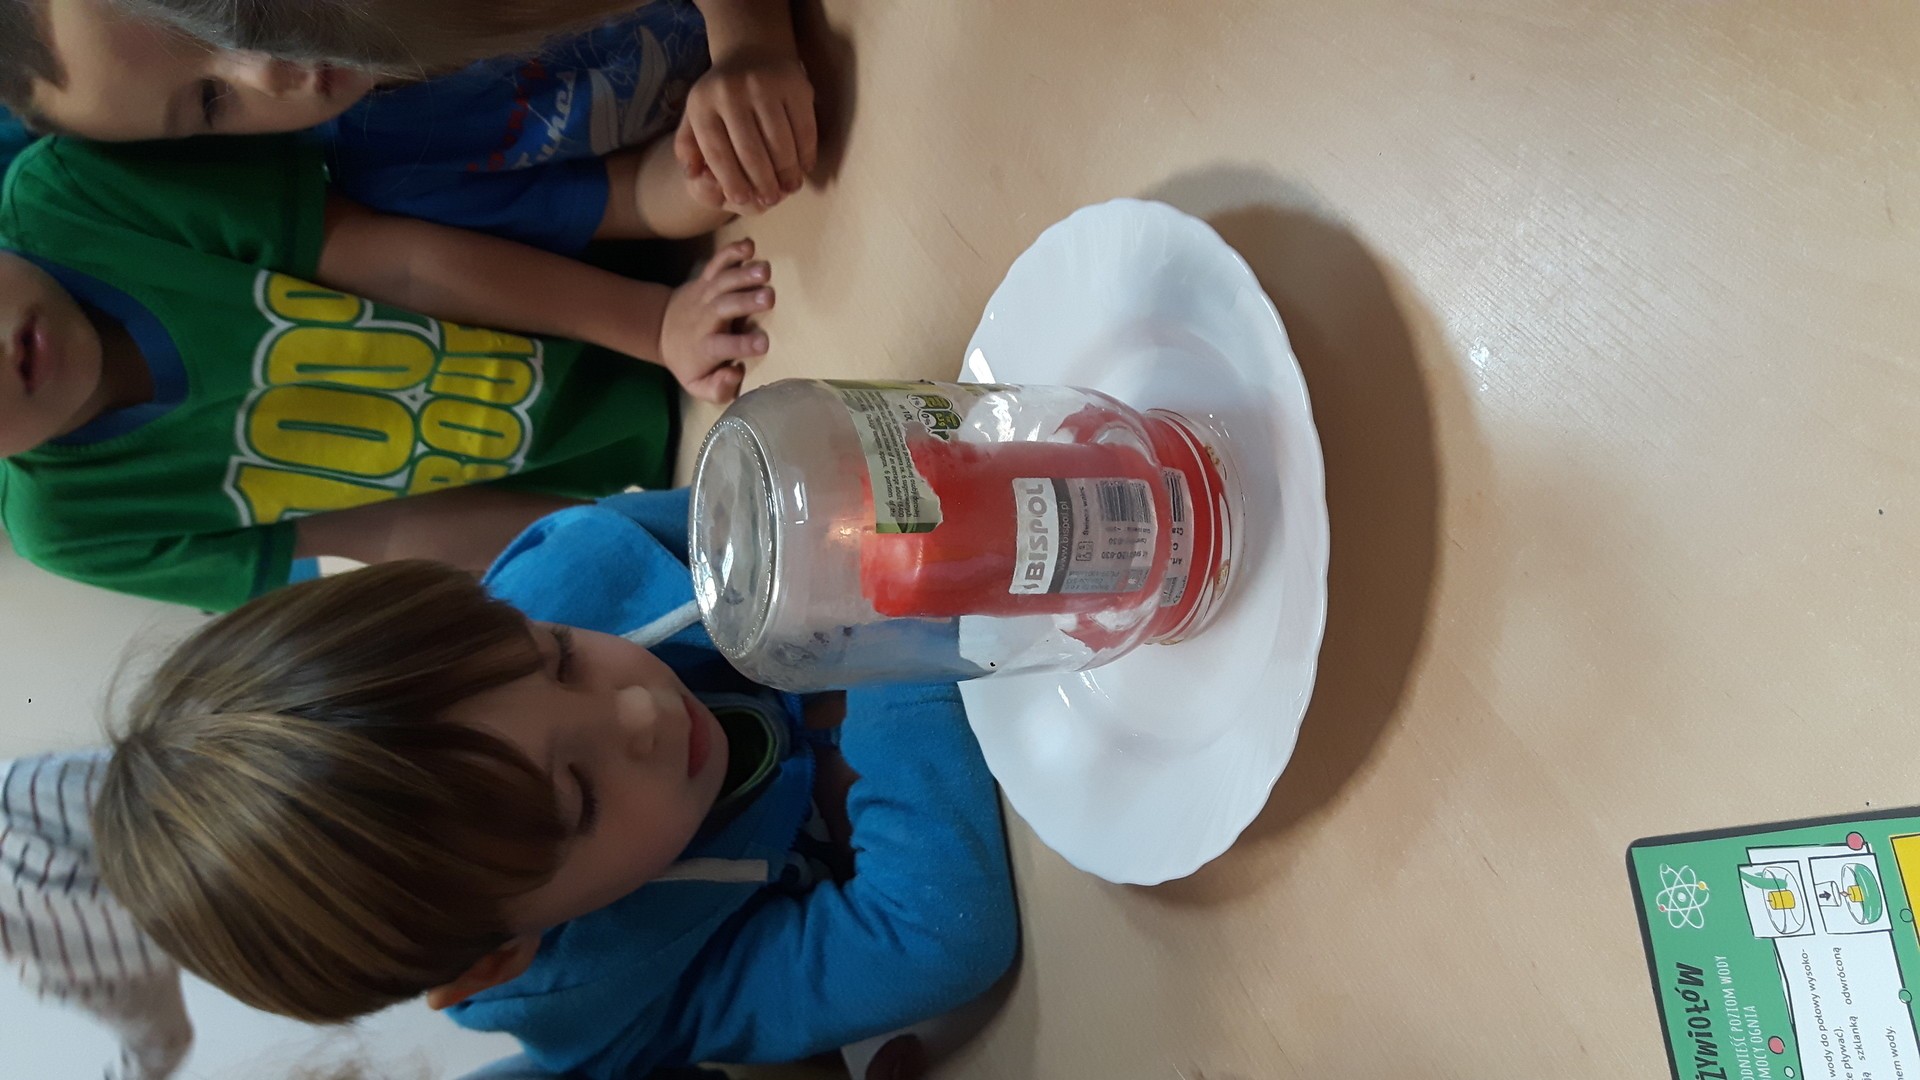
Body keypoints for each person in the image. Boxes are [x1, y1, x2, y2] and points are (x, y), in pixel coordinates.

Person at [91, 489, 1020, 1078]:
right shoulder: (608, 989)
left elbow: (824, 499)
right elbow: (937, 935)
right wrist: (899, 627)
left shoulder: (575, 571)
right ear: (501, 955)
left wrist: (875, 561)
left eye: (560, 657)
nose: (644, 712)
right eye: (579, 796)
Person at [0, 132, 775, 610]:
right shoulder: (67, 528)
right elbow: (384, 531)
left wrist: (652, 322)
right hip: (660, 472)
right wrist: (646, 541)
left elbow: (401, 261)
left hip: (659, 277)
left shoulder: (61, 197)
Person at [1, 0, 817, 251]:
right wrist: (716, 168)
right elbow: (632, 197)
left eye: (229, 16)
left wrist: (751, 43)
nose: (267, 73)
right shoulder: (390, 168)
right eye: (212, 100)